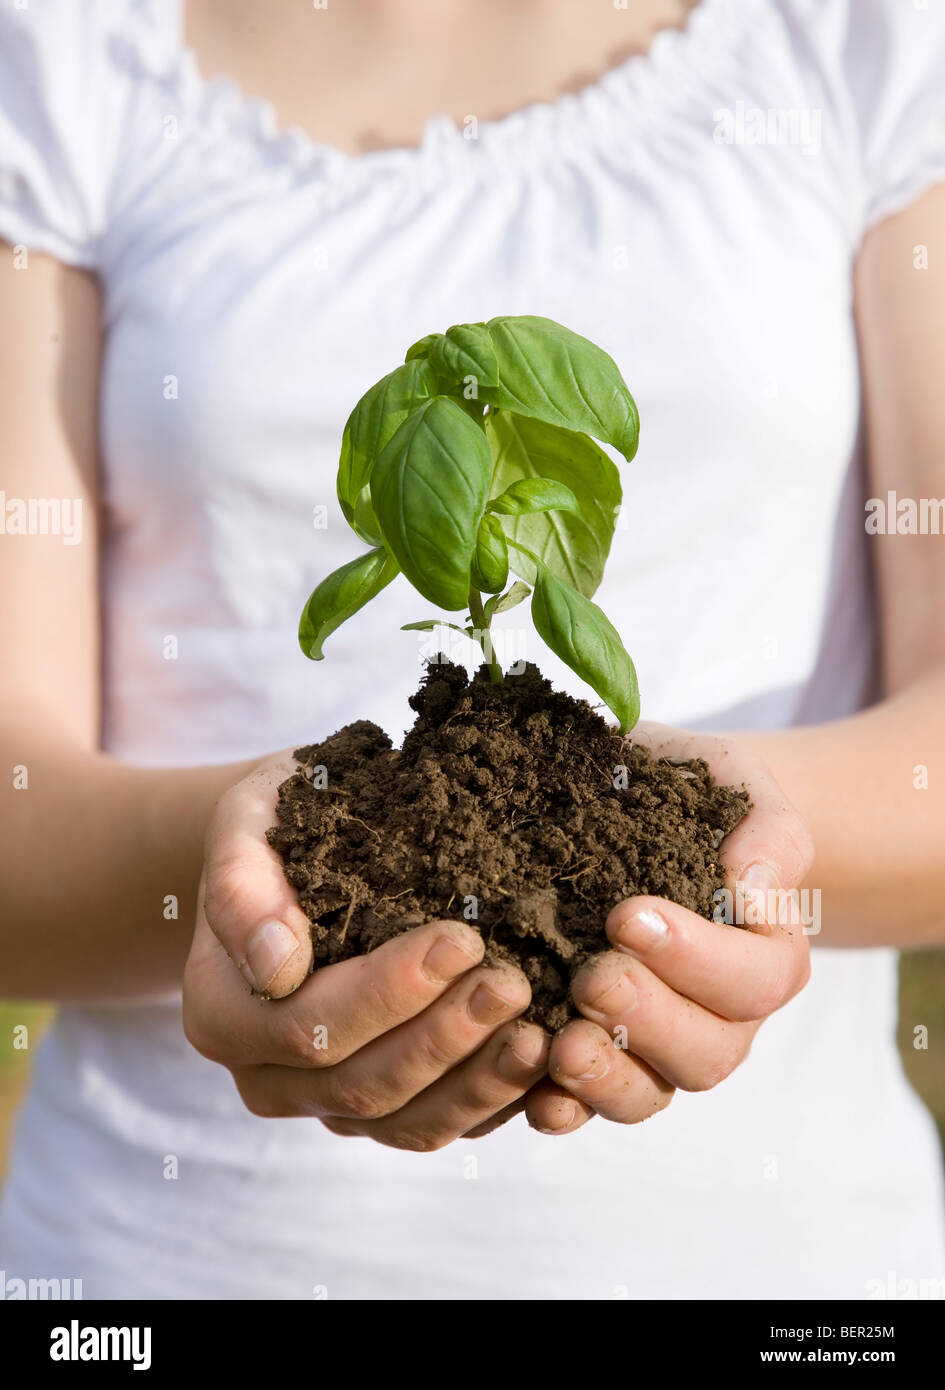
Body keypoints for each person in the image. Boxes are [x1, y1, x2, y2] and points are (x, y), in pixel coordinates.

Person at [1, 0, 943, 1300]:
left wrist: (735, 835)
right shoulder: (59, 53)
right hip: (159, 1274)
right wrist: (242, 873)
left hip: (789, 1277)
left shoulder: (861, 35)